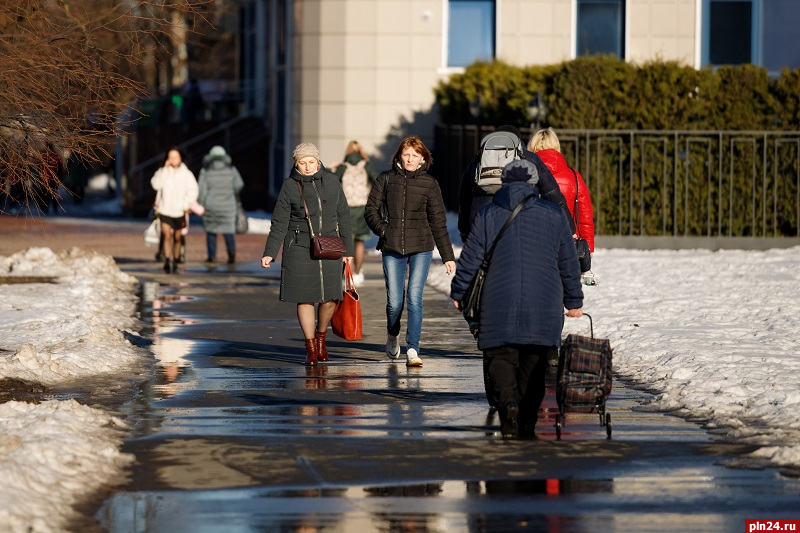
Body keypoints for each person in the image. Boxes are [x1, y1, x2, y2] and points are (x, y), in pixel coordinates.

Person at [450, 159, 584, 439]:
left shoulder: (488, 214)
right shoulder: (554, 215)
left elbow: (472, 256)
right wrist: (573, 300)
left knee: (501, 356)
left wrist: (459, 291)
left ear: (504, 183)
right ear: (534, 184)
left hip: (498, 302)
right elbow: (568, 262)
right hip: (544, 303)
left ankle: (508, 404)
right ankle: (526, 420)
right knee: (534, 363)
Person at [364, 135, 456, 367]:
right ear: (399, 156)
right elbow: (370, 211)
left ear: (423, 158)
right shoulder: (385, 179)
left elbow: (438, 222)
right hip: (392, 246)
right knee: (395, 301)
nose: (410, 159)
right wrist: (384, 230)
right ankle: (392, 335)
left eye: (415, 156)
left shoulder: (429, 184)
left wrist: (447, 256)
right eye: (406, 155)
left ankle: (413, 348)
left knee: (415, 298)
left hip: (421, 248)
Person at [261, 142, 354, 366]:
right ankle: (311, 346)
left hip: (331, 245)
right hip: (299, 247)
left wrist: (348, 250)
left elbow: (344, 215)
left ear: (318, 160)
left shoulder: (332, 181)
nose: (307, 166)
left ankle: (321, 337)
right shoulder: (290, 186)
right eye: (302, 163)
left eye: (311, 162)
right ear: (296, 163)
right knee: (305, 298)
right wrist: (270, 252)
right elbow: (280, 222)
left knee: (331, 297)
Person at [456, 125, 575, 241]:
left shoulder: (479, 159)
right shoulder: (530, 158)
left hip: (482, 220)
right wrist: (570, 228)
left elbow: (464, 196)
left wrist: (464, 229)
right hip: (518, 221)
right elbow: (552, 193)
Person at [528, 127, 596, 282]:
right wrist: (588, 247)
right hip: (566, 242)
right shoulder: (573, 176)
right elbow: (585, 215)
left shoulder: (525, 174)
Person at [333, 140, 378, 287]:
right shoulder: (366, 165)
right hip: (362, 208)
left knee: (345, 242)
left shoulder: (342, 166)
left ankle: (347, 273)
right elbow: (377, 181)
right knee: (360, 242)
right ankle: (358, 273)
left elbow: (333, 183)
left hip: (345, 209)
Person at [151, 148, 199, 274]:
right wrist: (164, 170)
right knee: (166, 235)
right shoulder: (163, 172)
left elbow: (193, 190)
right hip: (165, 209)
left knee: (178, 238)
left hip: (179, 211)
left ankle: (176, 260)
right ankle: (167, 260)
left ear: (180, 158)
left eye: (176, 157)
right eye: (171, 157)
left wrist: (185, 204)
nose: (173, 160)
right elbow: (155, 185)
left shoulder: (186, 174)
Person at [197, 145, 245, 264]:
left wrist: (201, 203)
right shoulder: (231, 170)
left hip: (211, 206)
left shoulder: (205, 172)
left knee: (211, 232)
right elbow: (239, 184)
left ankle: (212, 256)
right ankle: (231, 254)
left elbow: (201, 190)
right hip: (228, 206)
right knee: (228, 231)